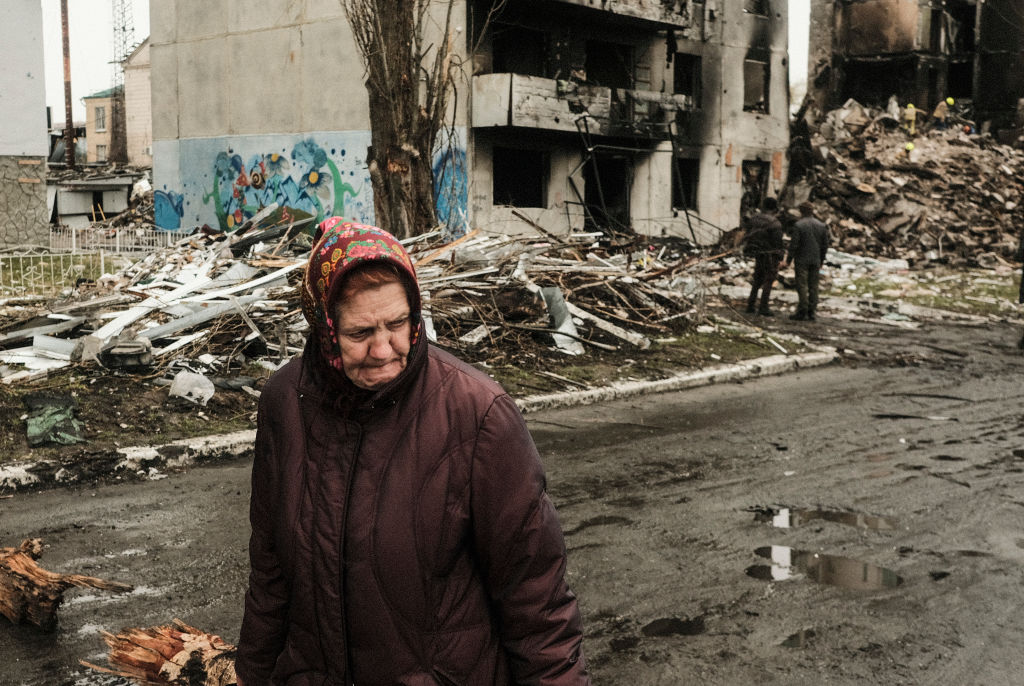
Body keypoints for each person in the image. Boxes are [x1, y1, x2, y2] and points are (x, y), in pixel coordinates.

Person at [236, 219, 591, 686]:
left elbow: (536, 600)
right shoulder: (286, 402)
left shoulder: (478, 415)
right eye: (361, 332)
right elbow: (271, 570)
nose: (384, 349)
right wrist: (252, 672)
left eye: (399, 324)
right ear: (325, 328)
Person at [784, 202, 830, 321]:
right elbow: (825, 245)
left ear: (801, 211)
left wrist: (789, 260)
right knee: (813, 286)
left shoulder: (799, 225)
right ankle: (812, 311)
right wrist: (822, 260)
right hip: (816, 259)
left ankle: (802, 310)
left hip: (802, 259)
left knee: (802, 285)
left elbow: (794, 245)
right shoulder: (821, 225)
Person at [743, 196, 785, 316]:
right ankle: (763, 307)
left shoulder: (754, 219)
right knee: (768, 280)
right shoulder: (775, 223)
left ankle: (751, 305)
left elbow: (747, 233)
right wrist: (781, 256)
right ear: (774, 208)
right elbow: (778, 243)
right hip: (770, 254)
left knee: (757, 279)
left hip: (757, 253)